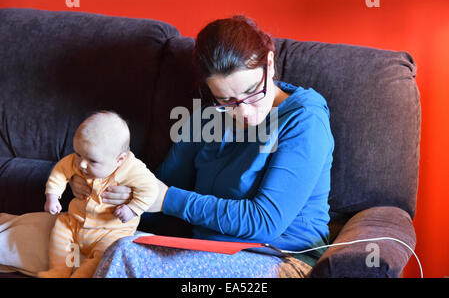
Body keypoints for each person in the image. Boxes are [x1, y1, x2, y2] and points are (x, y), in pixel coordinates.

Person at [71, 15, 335, 278]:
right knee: (98, 244)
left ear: (269, 63)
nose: (243, 111)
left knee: (126, 254)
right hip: (202, 251)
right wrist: (101, 188)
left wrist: (166, 199)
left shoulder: (304, 118)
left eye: (253, 91)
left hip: (281, 261)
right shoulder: (206, 119)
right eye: (226, 100)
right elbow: (157, 200)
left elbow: (265, 221)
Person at [38, 111, 159, 278]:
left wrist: (132, 209)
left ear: (119, 159)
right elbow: (60, 171)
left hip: (110, 230)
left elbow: (151, 188)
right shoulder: (78, 160)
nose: (81, 164)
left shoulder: (131, 169)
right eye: (78, 154)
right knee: (61, 228)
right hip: (76, 222)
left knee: (106, 253)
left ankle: (81, 275)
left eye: (92, 161)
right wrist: (52, 196)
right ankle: (60, 270)